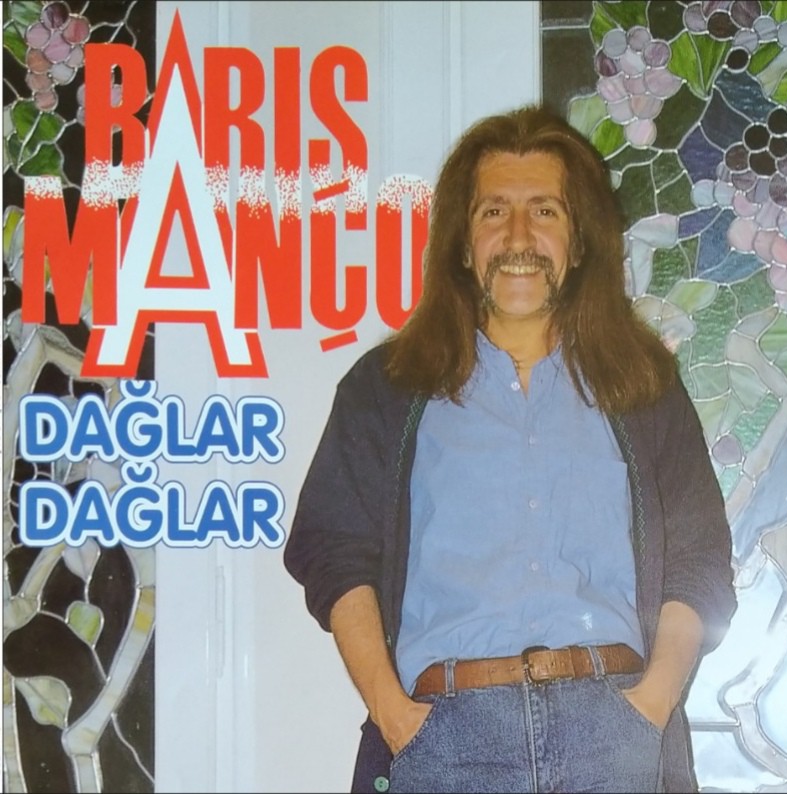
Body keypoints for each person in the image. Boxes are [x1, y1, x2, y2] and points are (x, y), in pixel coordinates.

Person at [284, 104, 737, 794]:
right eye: (493, 211)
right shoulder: (386, 390)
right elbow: (332, 551)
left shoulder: (642, 388)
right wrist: (393, 715)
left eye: (544, 211)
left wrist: (650, 707)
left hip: (613, 735)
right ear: (463, 244)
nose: (518, 236)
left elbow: (697, 561)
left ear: (578, 242)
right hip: (444, 741)